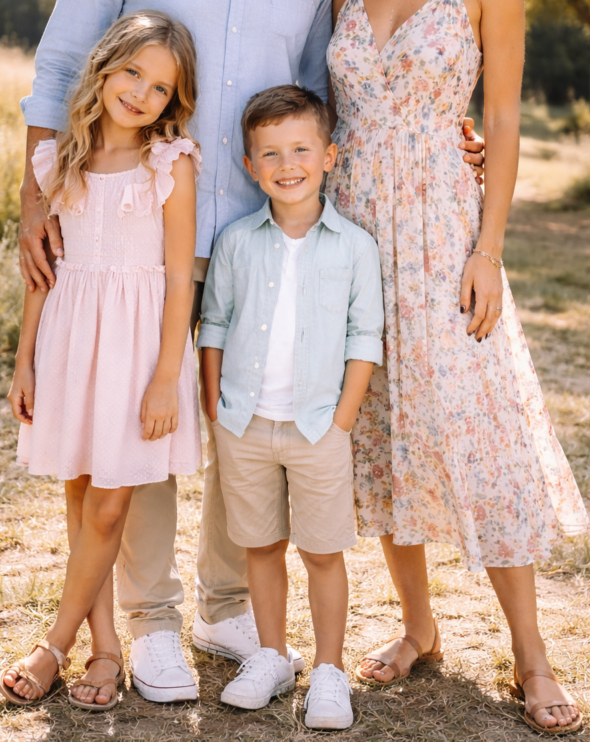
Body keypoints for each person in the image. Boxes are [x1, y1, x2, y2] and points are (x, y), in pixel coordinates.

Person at [16, 0, 484, 699]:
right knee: (137, 424)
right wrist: (34, 201)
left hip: (262, 234)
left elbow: (329, 84)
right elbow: (62, 68)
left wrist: (452, 132)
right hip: (140, 233)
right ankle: (145, 620)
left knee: (244, 411)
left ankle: (225, 599)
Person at [307, 0, 590, 736]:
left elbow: (501, 119)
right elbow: (333, 118)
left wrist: (489, 248)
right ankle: (420, 628)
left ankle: (530, 655)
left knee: (478, 429)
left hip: (442, 227)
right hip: (350, 232)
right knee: (380, 428)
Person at [0, 11, 202, 711]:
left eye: (160, 87)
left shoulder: (170, 164)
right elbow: (43, 272)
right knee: (83, 495)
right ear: (104, 68)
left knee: (111, 506)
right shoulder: (58, 160)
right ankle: (106, 648)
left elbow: (179, 279)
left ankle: (53, 645)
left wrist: (166, 377)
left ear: (173, 102)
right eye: (133, 73)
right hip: (69, 341)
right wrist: (24, 361)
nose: (142, 93)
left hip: (136, 350)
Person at [199, 85, 384, 730]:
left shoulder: (354, 246)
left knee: (324, 551)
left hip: (317, 426)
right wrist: (215, 408)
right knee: (259, 545)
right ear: (251, 166)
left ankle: (330, 671)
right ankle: (273, 657)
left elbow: (366, 336)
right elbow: (215, 325)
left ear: (329, 155)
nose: (287, 164)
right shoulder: (236, 241)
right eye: (270, 153)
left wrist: (342, 419)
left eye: (301, 148)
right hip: (245, 423)